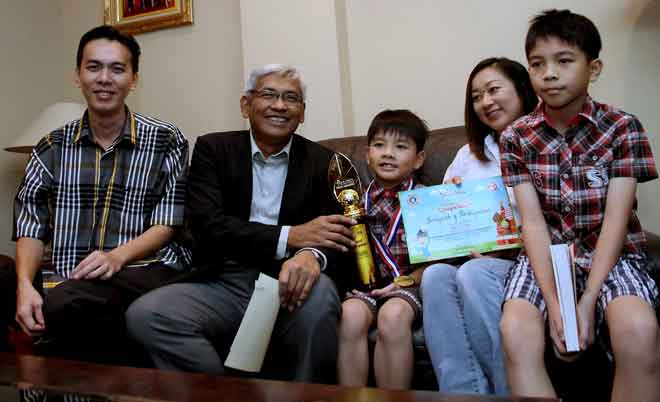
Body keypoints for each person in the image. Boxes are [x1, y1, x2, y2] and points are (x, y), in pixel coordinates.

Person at [126, 64, 356, 384]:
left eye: (291, 98)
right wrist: (290, 237)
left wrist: (312, 256)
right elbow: (208, 226)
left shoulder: (326, 162)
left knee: (321, 298)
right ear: (246, 104)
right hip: (224, 279)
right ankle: (226, 396)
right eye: (268, 95)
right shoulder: (213, 150)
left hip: (291, 281)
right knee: (147, 316)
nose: (279, 105)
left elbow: (344, 237)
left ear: (302, 113)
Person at [0, 25, 191, 363]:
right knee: (39, 292)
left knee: (66, 303)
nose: (105, 78)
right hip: (73, 275)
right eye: (94, 67)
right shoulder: (51, 146)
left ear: (134, 79)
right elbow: (31, 224)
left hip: (143, 269)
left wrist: (116, 257)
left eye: (117, 69)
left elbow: (168, 223)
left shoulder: (166, 139)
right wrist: (24, 286)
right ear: (78, 75)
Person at [499, 9, 659, 401]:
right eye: (538, 64)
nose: (549, 73)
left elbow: (616, 223)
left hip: (613, 253)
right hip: (545, 255)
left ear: (594, 67)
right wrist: (556, 303)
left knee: (637, 329)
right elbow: (533, 224)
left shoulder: (623, 126)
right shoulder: (516, 137)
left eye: (564, 61)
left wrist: (586, 301)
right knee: (515, 330)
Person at [420, 58, 538, 395]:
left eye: (493, 90)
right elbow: (440, 217)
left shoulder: (542, 143)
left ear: (521, 89)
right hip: (471, 260)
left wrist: (503, 246)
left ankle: (507, 390)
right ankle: (463, 392)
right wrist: (451, 202)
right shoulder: (467, 154)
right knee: (436, 275)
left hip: (524, 260)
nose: (485, 101)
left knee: (475, 272)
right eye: (476, 96)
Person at [337, 109, 428, 390]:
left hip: (407, 286)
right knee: (350, 315)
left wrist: (406, 281)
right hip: (366, 287)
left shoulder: (427, 200)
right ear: (367, 154)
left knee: (393, 316)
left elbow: (439, 263)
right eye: (379, 145)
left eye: (400, 147)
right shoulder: (352, 201)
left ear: (419, 159)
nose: (388, 153)